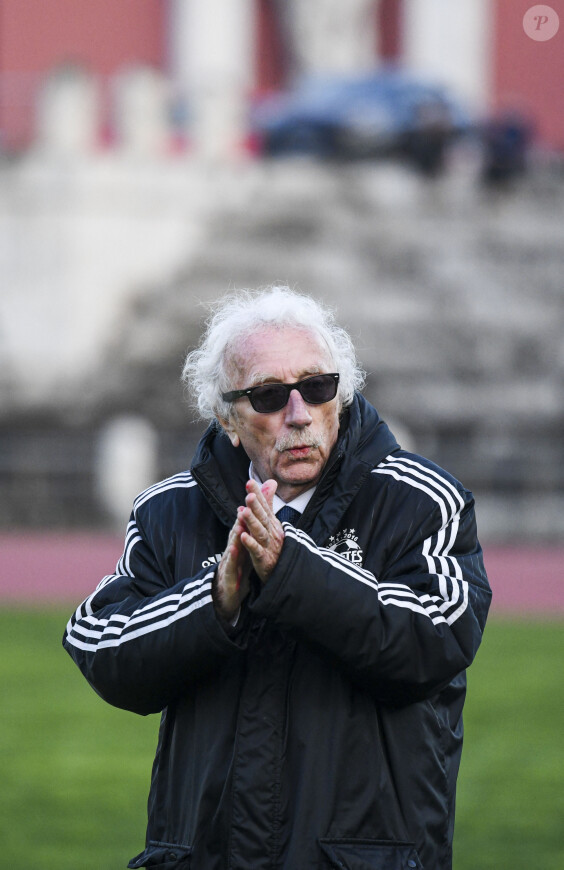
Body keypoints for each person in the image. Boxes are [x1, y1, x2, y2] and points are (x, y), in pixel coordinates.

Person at [63, 286, 491, 870]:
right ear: (228, 419)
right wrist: (213, 602)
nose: (299, 413)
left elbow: (438, 638)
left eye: (317, 387)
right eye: (269, 395)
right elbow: (99, 644)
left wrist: (294, 572)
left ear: (339, 395)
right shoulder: (167, 511)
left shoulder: (420, 500)